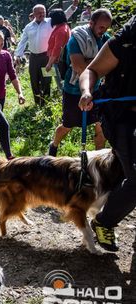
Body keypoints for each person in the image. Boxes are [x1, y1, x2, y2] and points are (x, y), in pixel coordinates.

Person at [78, 15, 136, 252]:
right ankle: (104, 221)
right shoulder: (124, 43)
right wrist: (86, 91)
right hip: (123, 119)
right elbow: (90, 72)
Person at [48, 9, 112, 156]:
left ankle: (98, 160)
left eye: (107, 28)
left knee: (100, 126)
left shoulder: (106, 39)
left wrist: (91, 62)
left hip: (97, 90)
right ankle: (54, 145)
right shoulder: (76, 39)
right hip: (74, 91)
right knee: (67, 126)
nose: (104, 31)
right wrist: (100, 63)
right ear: (91, 23)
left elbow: (111, 64)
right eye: (101, 27)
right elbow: (79, 67)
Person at [15, 1, 79, 105]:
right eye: (39, 12)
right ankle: (37, 102)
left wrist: (74, 6)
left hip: (47, 56)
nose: (42, 14)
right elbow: (23, 41)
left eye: (43, 12)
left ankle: (45, 102)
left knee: (47, 79)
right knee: (34, 79)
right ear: (34, 14)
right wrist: (18, 54)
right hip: (34, 57)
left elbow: (64, 15)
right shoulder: (28, 27)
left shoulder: (51, 22)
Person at [0, 30, 26, 159]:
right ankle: (8, 156)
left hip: (1, 96)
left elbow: (13, 75)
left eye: (2, 44)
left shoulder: (6, 55)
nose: (0, 47)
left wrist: (20, 93)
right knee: (2, 125)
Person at [45, 9, 72, 93]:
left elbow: (57, 48)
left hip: (57, 61)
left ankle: (63, 97)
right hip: (56, 60)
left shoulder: (61, 30)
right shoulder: (62, 27)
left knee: (60, 83)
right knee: (58, 81)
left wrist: (49, 63)